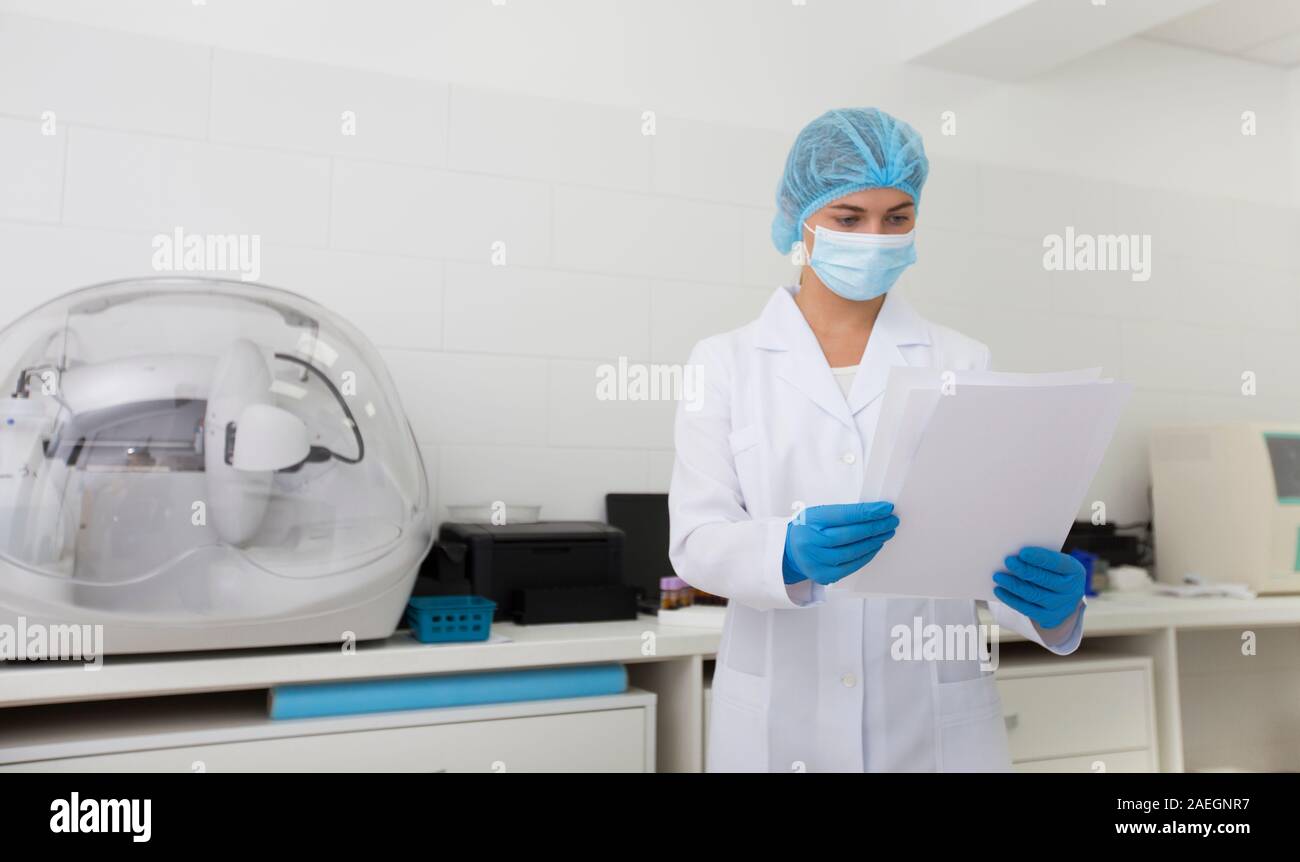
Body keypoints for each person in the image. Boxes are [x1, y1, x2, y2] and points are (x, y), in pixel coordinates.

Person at [667, 108, 1086, 772]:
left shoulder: (961, 359)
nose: (875, 237)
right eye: (848, 217)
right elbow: (695, 541)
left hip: (929, 722)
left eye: (897, 217)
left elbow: (981, 552)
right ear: (799, 219)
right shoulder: (726, 362)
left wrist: (1050, 612)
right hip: (781, 719)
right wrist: (787, 553)